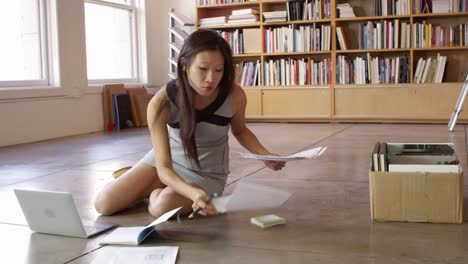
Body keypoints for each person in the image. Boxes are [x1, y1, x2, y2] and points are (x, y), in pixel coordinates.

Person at [94, 29, 285, 218]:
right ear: (184, 64)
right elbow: (164, 167)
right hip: (167, 164)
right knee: (104, 204)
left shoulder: (234, 96)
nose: (211, 78)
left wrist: (264, 154)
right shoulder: (162, 103)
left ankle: (153, 191)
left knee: (162, 206)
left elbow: (241, 131)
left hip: (207, 174)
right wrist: (194, 194)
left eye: (219, 70)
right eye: (203, 69)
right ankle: (156, 184)